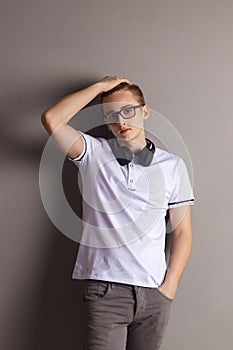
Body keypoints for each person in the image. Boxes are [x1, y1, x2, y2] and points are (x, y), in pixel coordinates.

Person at [41, 75, 195, 350]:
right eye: (111, 115)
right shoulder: (93, 153)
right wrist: (100, 88)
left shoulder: (172, 166)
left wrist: (169, 288)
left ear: (145, 111)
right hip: (105, 291)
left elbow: (182, 231)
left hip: (154, 293)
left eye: (128, 111)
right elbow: (52, 120)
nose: (121, 121)